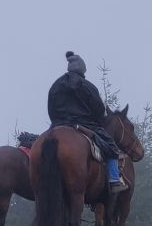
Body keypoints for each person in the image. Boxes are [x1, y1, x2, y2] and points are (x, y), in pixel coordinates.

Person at [47, 51, 123, 192]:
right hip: (84, 124)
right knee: (112, 147)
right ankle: (114, 180)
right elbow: (99, 109)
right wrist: (98, 122)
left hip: (58, 124)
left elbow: (50, 107)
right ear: (82, 69)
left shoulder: (56, 85)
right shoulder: (87, 86)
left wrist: (57, 122)